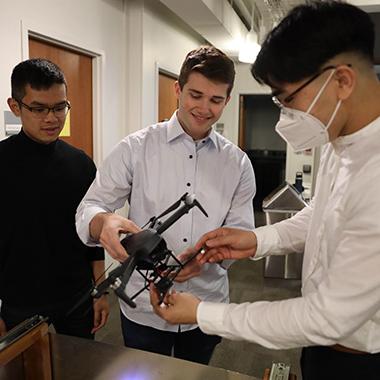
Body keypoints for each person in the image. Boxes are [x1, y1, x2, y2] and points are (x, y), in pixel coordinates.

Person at [150, 2, 380, 379]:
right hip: (320, 347)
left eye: (288, 99)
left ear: (341, 81)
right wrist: (257, 240)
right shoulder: (343, 143)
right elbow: (320, 216)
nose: (285, 115)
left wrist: (203, 313)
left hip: (361, 359)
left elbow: (328, 316)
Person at [76, 45, 256, 364]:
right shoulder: (135, 148)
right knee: (143, 372)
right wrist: (102, 222)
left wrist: (206, 259)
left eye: (216, 100)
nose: (203, 108)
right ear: (178, 88)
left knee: (196, 373)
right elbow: (90, 206)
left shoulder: (238, 164)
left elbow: (241, 233)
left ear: (228, 100)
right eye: (195, 95)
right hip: (143, 307)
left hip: (206, 303)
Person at [0, 59, 109, 339]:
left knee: (79, 369)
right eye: (38, 108)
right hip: (17, 302)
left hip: (77, 297)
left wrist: (100, 291)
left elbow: (94, 241)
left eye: (60, 107)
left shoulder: (82, 164)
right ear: (15, 107)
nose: (52, 118)